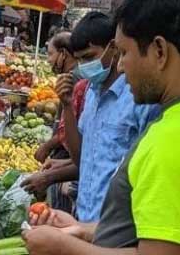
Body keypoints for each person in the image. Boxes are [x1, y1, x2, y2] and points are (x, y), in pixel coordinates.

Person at [24, 0, 180, 255]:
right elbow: (150, 225)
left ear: (159, 51)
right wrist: (83, 230)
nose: (120, 67)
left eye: (125, 53)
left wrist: (64, 247)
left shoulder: (174, 141)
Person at [60, 12, 160, 224]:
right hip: (85, 214)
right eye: (79, 60)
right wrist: (67, 106)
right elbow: (81, 159)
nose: (84, 66)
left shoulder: (138, 99)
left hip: (116, 227)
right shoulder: (90, 93)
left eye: (89, 57)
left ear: (113, 49)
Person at [21, 31, 87, 214]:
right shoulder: (70, 78)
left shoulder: (75, 80)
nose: (48, 60)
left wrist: (48, 146)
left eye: (50, 54)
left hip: (68, 155)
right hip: (66, 160)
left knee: (61, 212)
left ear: (64, 54)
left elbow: (72, 125)